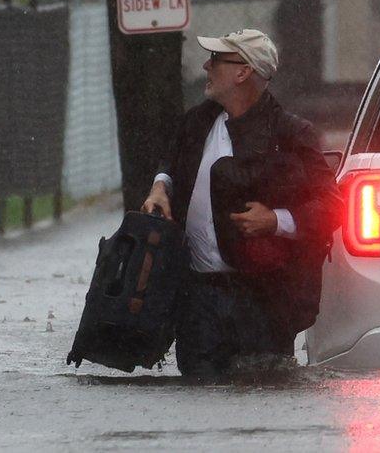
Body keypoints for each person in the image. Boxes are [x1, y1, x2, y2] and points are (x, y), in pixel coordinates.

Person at [140, 28, 343, 377]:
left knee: (263, 393)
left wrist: (276, 220)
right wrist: (160, 187)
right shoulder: (197, 123)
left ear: (242, 71)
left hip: (264, 301)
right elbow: (170, 164)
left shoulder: (291, 134)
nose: (206, 66)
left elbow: (333, 205)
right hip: (198, 301)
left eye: (216, 60)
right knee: (200, 399)